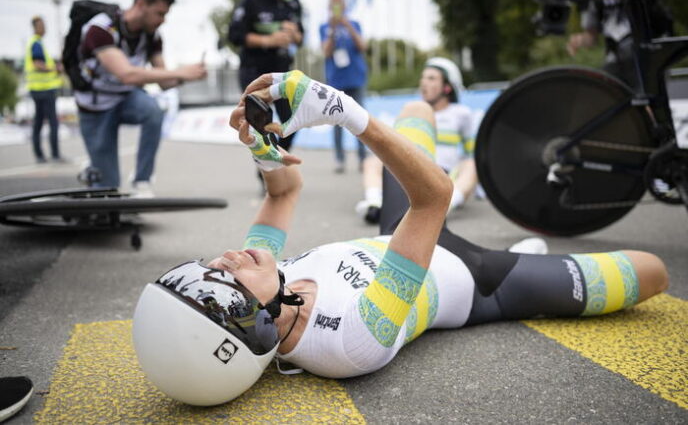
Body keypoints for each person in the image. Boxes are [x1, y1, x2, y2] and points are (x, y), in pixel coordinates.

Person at [132, 71, 669, 406]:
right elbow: (433, 197)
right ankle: (521, 257)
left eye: (209, 264)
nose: (225, 256)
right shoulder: (348, 345)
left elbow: (283, 194)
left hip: (403, 235)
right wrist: (343, 111)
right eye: (223, 276)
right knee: (652, 273)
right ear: (255, 320)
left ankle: (525, 250)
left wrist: (262, 152)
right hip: (478, 279)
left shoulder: (271, 283)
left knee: (415, 111)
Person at [75, 0, 207, 195]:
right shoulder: (100, 29)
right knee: (108, 188)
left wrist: (190, 75)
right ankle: (94, 171)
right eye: (160, 13)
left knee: (153, 111)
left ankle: (141, 181)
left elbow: (164, 82)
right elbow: (127, 74)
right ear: (141, 4)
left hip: (125, 99)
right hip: (95, 107)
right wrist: (180, 71)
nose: (163, 20)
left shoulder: (152, 35)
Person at [355, 57, 478, 223]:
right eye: (423, 78)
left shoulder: (461, 113)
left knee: (471, 164)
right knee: (372, 161)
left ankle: (443, 209)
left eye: (431, 78)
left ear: (448, 87)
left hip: (442, 176)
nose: (423, 83)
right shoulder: (411, 111)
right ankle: (374, 205)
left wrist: (475, 187)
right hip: (411, 170)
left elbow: (472, 151)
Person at [228, 0, 304, 153]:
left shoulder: (293, 3)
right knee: (259, 127)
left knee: (292, 124)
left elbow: (301, 37)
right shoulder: (252, 0)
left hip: (282, 73)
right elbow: (234, 35)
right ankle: (266, 172)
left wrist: (295, 35)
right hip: (254, 71)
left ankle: (274, 160)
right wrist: (268, 40)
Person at [565, 0, 673, 88]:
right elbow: (591, 36)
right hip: (616, 57)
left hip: (649, 51)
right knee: (604, 93)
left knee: (648, 94)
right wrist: (579, 40)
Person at [320, 0, 368, 174]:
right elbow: (325, 52)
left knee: (360, 120)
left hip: (356, 78)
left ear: (345, 5)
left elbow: (362, 46)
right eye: (334, 2)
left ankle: (363, 158)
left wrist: (347, 26)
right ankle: (340, 159)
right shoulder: (324, 27)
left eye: (340, 2)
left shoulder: (354, 24)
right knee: (336, 121)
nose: (337, 6)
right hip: (336, 81)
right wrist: (333, 30)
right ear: (329, 6)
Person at [24, 16, 64, 164]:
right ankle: (54, 154)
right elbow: (38, 64)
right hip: (44, 89)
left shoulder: (36, 43)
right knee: (52, 122)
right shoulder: (36, 44)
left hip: (37, 89)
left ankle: (40, 155)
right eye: (42, 25)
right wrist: (55, 69)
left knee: (39, 122)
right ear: (35, 27)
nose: (45, 27)